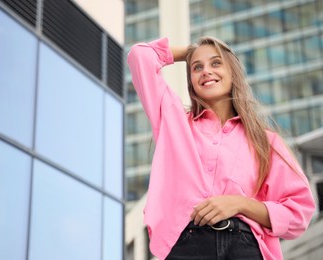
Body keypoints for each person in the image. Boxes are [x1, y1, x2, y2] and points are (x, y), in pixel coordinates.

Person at [127, 36, 316, 260]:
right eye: (197, 67)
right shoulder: (173, 123)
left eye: (216, 63)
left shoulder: (265, 141)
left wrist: (240, 204)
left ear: (233, 72)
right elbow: (140, 55)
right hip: (186, 246)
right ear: (191, 80)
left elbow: (299, 212)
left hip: (244, 247)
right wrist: (191, 51)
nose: (206, 71)